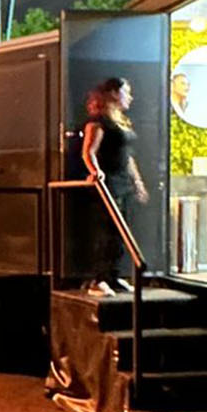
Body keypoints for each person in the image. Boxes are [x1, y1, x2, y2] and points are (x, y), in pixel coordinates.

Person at [81, 78, 149, 296]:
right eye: (125, 92)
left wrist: (137, 181)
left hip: (123, 183)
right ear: (112, 93)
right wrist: (96, 171)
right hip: (107, 183)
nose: (130, 97)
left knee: (121, 232)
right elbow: (89, 151)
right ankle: (97, 279)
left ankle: (114, 275)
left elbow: (128, 156)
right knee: (105, 231)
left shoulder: (122, 122)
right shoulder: (99, 121)